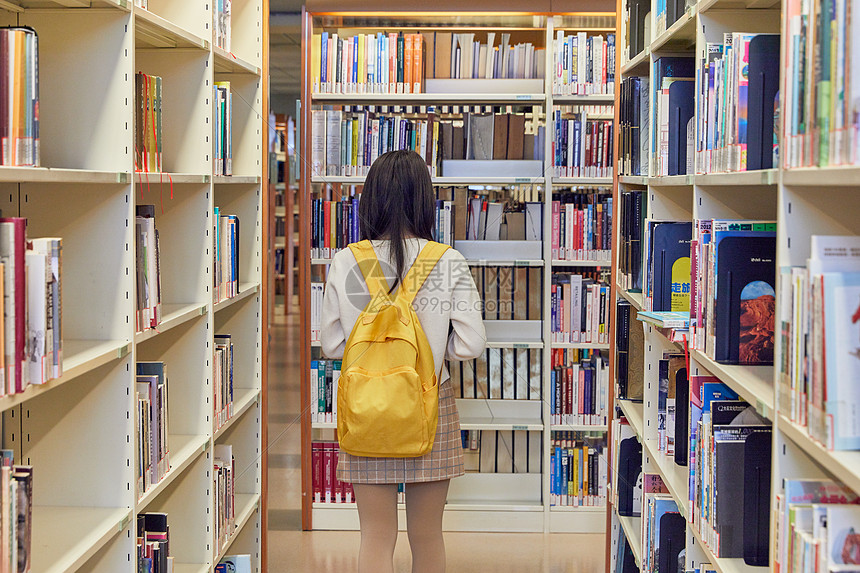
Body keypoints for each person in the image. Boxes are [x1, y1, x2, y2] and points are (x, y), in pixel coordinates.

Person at [321, 150, 486, 573]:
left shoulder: (345, 261)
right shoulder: (448, 262)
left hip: (367, 410)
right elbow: (470, 344)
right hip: (431, 409)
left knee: (375, 537)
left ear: (370, 200)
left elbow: (332, 345)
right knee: (428, 536)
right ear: (425, 201)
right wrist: (429, 354)